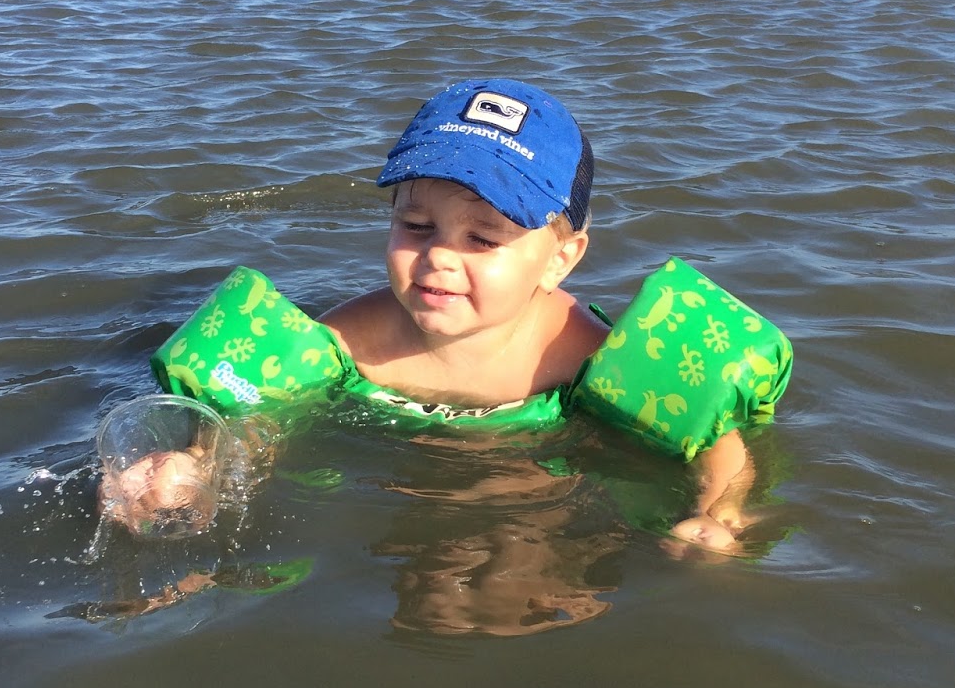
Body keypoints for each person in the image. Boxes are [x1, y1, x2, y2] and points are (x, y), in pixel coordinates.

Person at [112, 80, 788, 552]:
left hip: (544, 491)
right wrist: (196, 466)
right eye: (416, 226)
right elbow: (260, 416)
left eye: (483, 240)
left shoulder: (582, 357)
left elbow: (719, 443)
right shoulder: (354, 340)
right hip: (395, 498)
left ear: (560, 259)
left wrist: (719, 512)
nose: (438, 256)